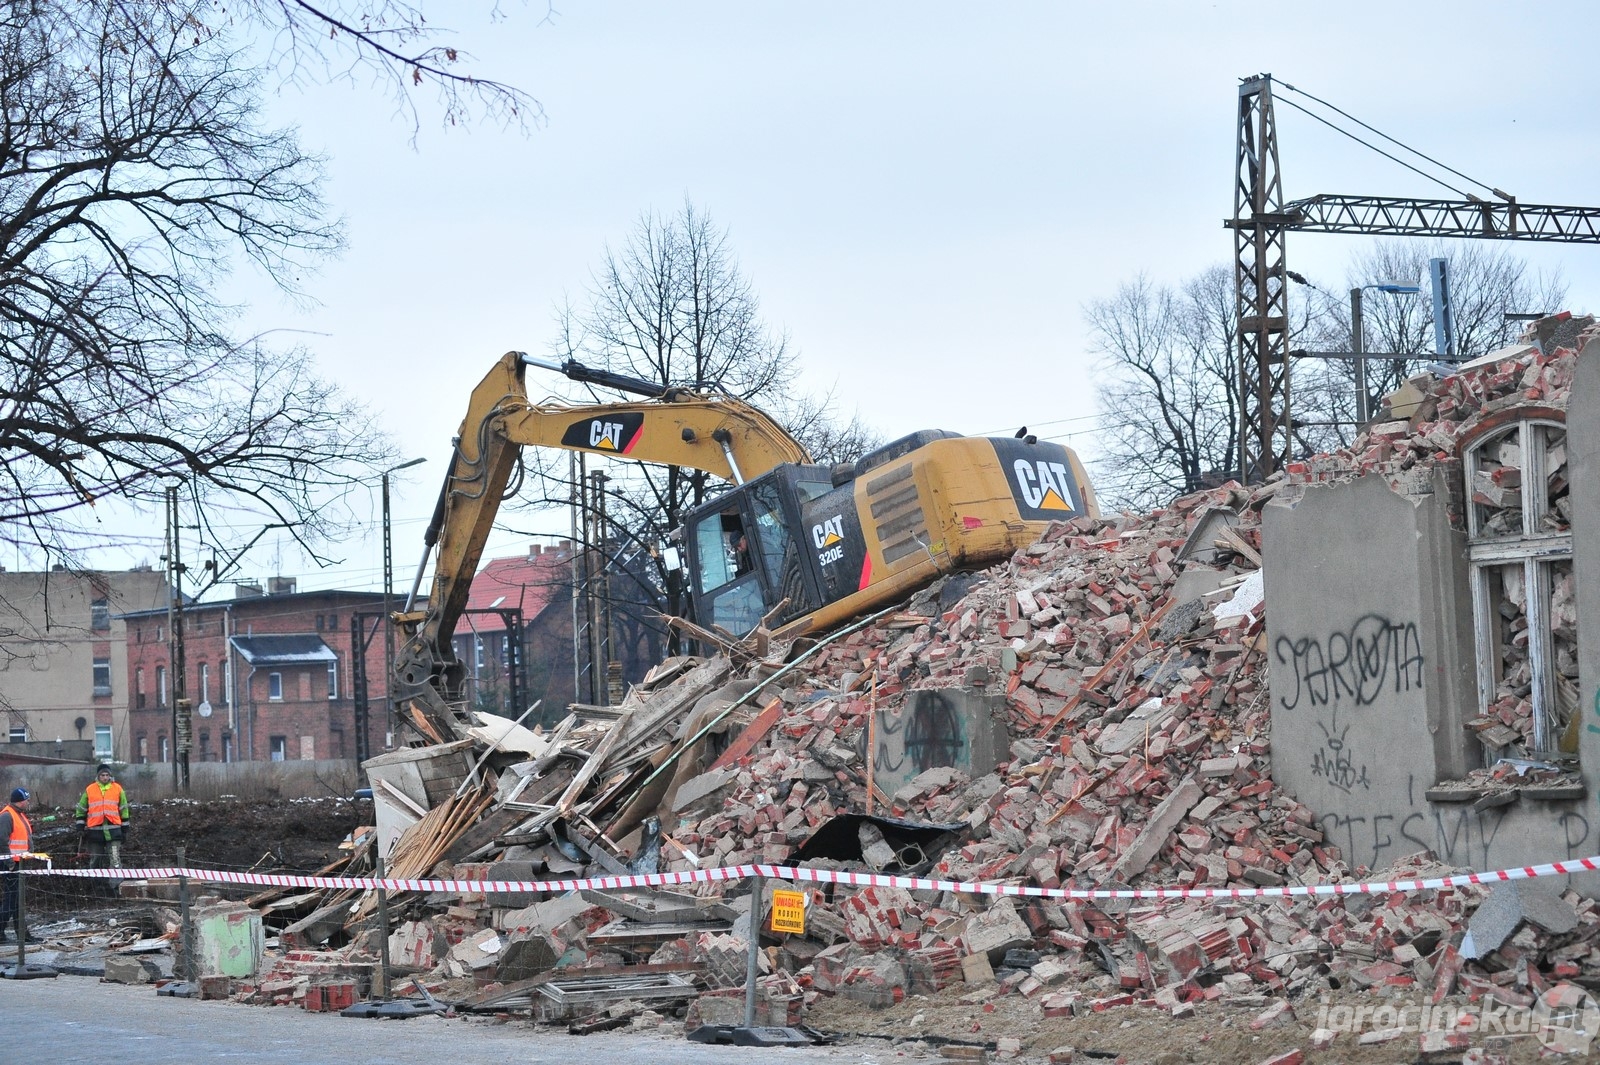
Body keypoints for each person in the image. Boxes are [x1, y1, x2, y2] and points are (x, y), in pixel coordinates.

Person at [76, 764, 130, 869]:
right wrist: (80, 827)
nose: (105, 777)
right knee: (95, 860)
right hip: (95, 832)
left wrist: (125, 829)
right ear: (98, 776)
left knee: (115, 860)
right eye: (102, 775)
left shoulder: (117, 789)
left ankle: (116, 884)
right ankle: (96, 883)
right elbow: (81, 810)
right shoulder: (90, 789)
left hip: (114, 832)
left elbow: (124, 809)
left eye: (107, 775)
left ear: (110, 776)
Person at [0, 786, 35, 944]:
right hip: (11, 864)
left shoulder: (18, 814)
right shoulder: (7, 816)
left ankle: (23, 935)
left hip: (18, 862)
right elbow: (2, 841)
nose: (28, 803)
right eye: (27, 800)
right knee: (11, 899)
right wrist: (9, 862)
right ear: (21, 801)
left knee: (16, 899)